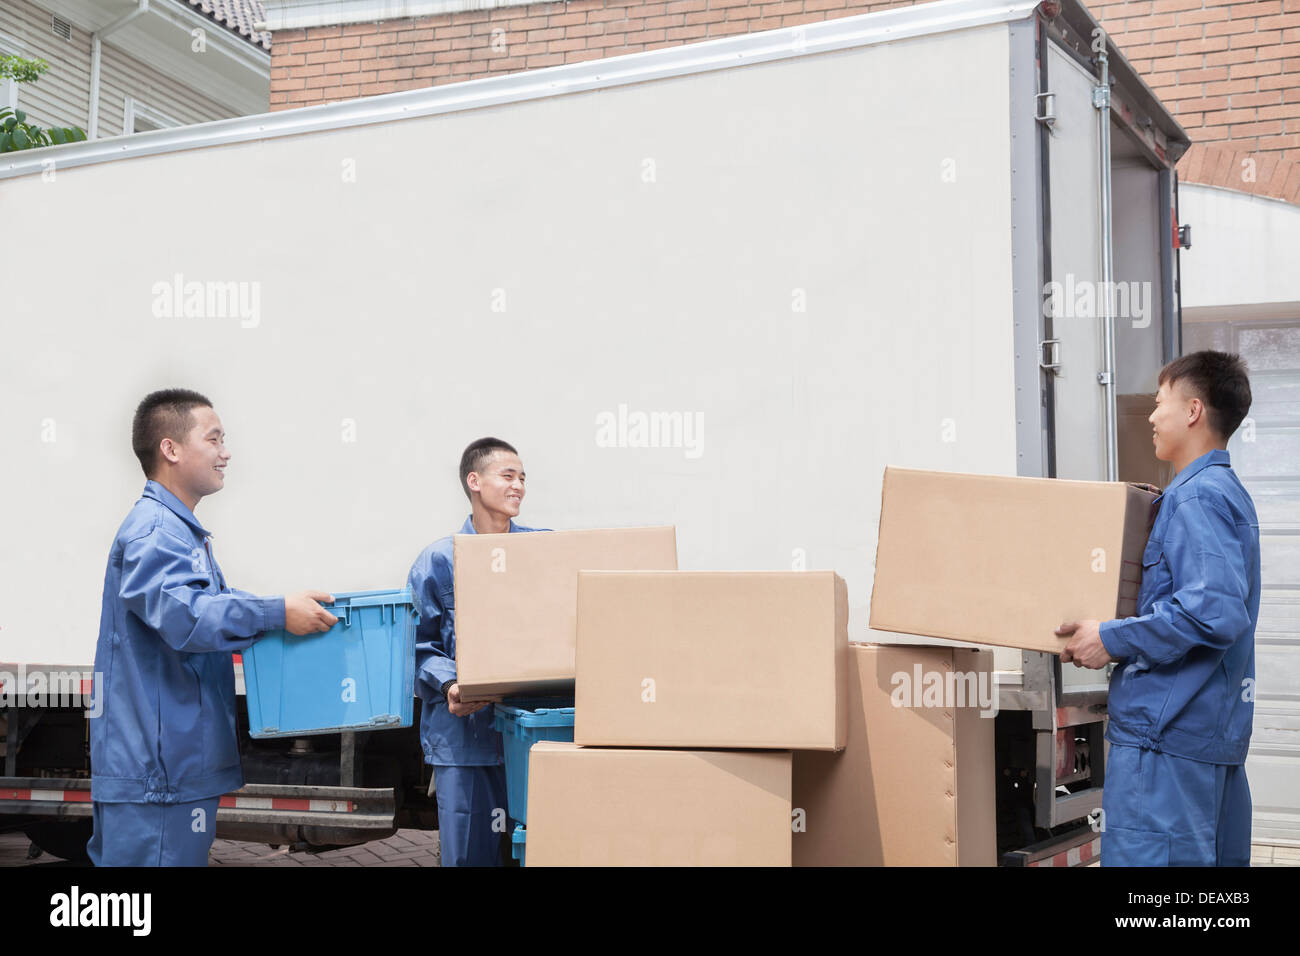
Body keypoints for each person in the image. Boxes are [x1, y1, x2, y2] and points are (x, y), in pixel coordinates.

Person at [88, 389, 339, 866]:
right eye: (214, 438)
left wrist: (281, 609)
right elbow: (187, 617)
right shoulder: (155, 531)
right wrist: (274, 613)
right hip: (157, 772)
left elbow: (208, 604)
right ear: (171, 449)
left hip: (171, 768)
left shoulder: (178, 532)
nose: (226, 452)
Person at [1057, 351, 1259, 866]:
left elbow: (1211, 611)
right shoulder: (1223, 493)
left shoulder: (1195, 498)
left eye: (1159, 401)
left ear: (1193, 411)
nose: (1151, 416)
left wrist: (1109, 637)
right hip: (1205, 743)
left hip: (1165, 749)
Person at [407, 437, 546, 866]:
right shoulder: (438, 561)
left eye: (523, 478)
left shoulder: (541, 552)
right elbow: (417, 647)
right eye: (508, 476)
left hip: (531, 735)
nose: (519, 485)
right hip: (464, 742)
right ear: (474, 481)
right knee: (469, 856)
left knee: (538, 853)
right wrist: (449, 684)